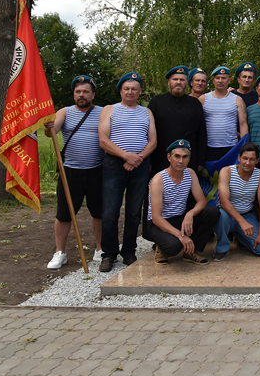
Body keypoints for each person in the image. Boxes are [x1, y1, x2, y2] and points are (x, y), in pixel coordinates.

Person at [97, 72, 157, 272]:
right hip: (115, 165)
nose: (130, 92)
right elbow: (103, 140)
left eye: (134, 89)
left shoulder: (146, 112)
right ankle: (109, 254)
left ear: (139, 92)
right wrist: (126, 156)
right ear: (121, 91)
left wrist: (137, 158)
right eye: (126, 88)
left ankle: (129, 251)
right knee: (110, 212)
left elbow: (153, 141)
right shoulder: (109, 110)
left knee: (134, 211)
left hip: (139, 166)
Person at [44, 75, 104, 269]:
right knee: (64, 214)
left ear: (93, 94)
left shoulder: (103, 113)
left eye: (86, 91)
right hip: (70, 172)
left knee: (99, 212)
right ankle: (60, 252)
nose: (81, 95)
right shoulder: (65, 112)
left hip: (97, 171)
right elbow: (53, 130)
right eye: (78, 91)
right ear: (74, 94)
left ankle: (99, 249)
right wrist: (49, 127)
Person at [145, 139, 219, 265]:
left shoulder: (190, 173)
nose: (181, 161)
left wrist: (190, 214)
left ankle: (191, 251)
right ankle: (161, 247)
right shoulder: (159, 180)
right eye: (177, 156)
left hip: (180, 217)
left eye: (185, 157)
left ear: (189, 159)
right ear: (169, 157)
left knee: (213, 212)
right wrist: (181, 236)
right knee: (173, 247)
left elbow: (202, 202)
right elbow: (156, 218)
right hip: (160, 222)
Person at [214, 142, 260, 260]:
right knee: (221, 216)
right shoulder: (227, 171)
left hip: (247, 215)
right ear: (239, 157)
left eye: (252, 159)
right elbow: (224, 202)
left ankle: (241, 238)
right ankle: (222, 248)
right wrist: (242, 222)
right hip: (228, 215)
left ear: (257, 160)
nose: (247, 162)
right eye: (244, 158)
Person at [148, 66, 207, 175]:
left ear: (187, 83)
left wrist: (200, 161)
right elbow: (148, 133)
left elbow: (201, 134)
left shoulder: (194, 104)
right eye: (175, 79)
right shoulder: (157, 102)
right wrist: (149, 161)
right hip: (160, 157)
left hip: (188, 158)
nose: (178, 82)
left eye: (182, 80)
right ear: (169, 82)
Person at [201, 66, 247, 162]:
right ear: (213, 80)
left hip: (230, 148)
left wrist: (244, 147)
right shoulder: (203, 99)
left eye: (224, 78)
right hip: (209, 148)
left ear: (229, 80)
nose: (220, 81)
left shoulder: (237, 99)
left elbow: (243, 124)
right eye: (217, 78)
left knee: (230, 176)